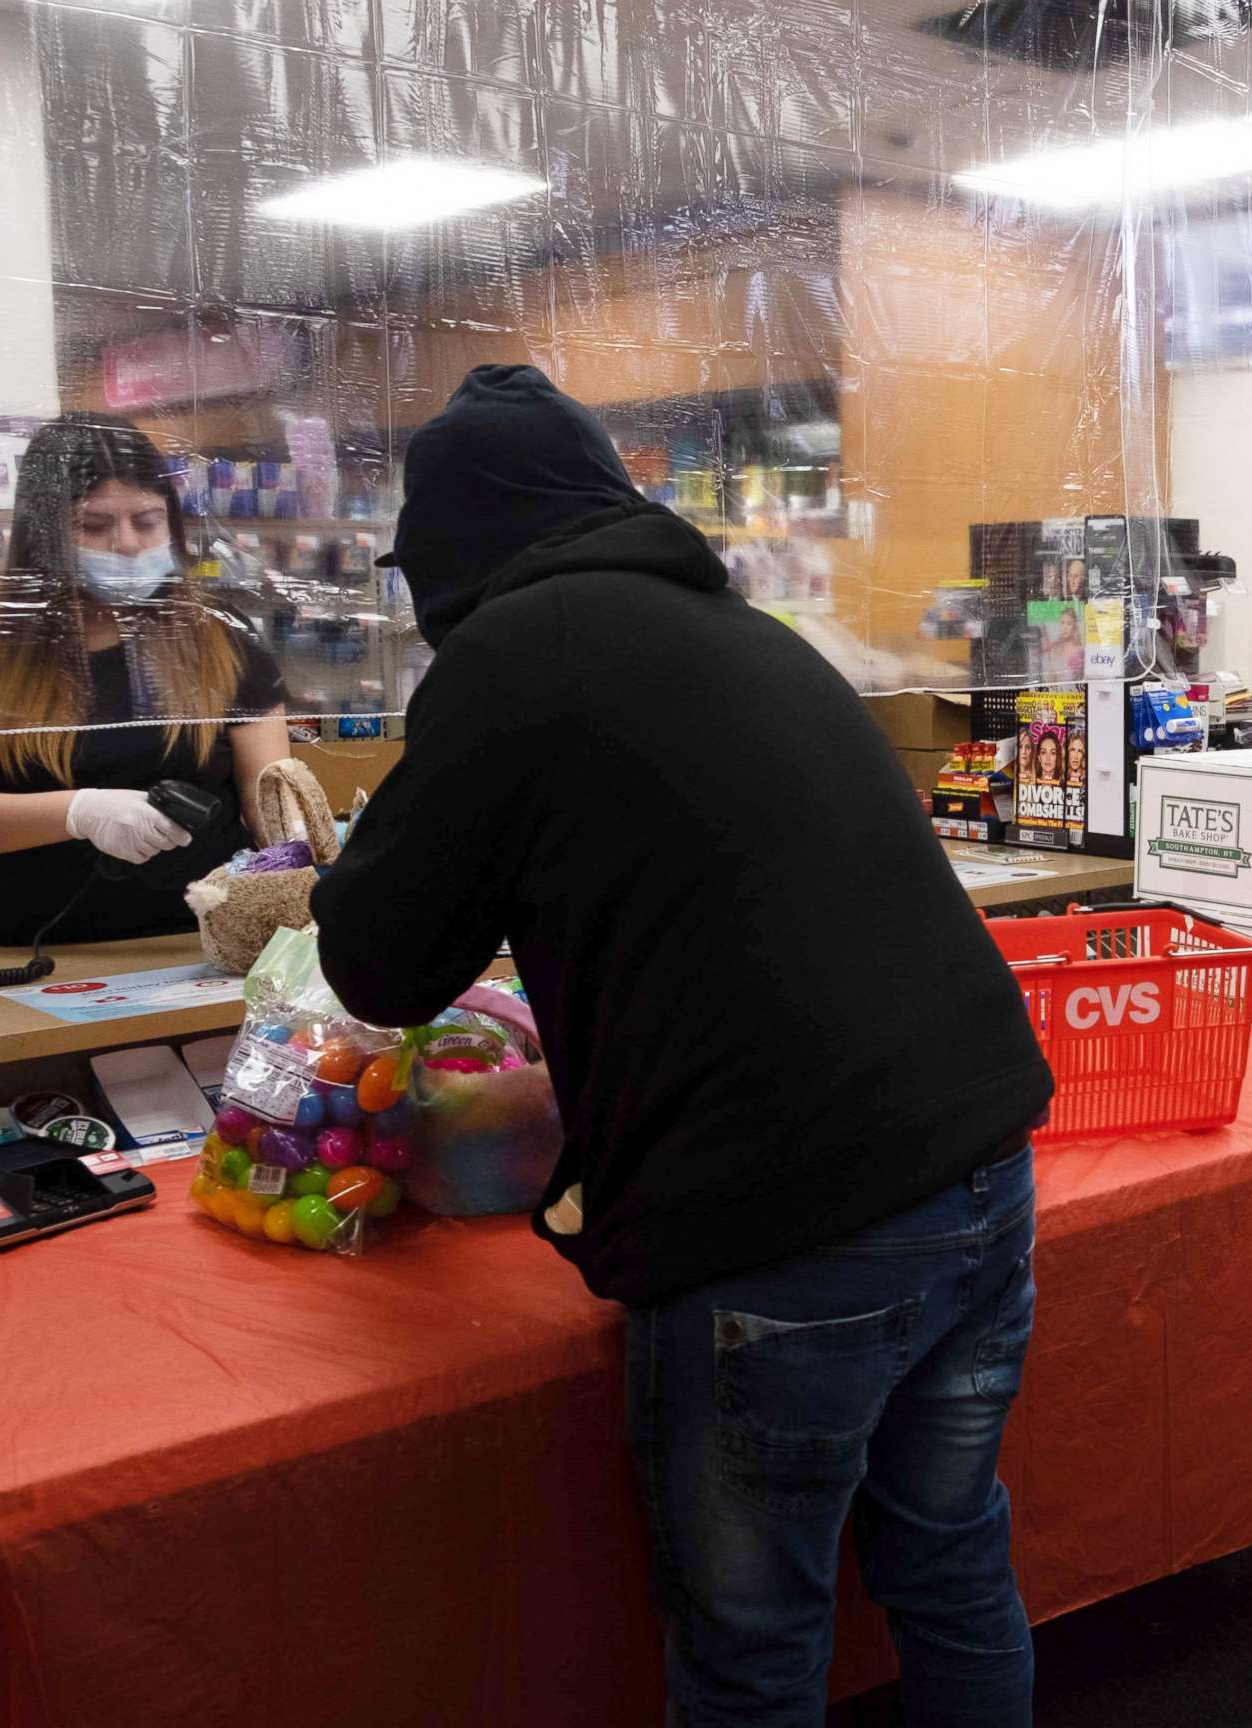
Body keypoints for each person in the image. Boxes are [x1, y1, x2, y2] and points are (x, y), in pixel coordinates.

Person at [308, 365, 1054, 1725]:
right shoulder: (735, 626)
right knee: (945, 1556)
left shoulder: (510, 659)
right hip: (981, 1166)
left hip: (788, 1223)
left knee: (754, 1634)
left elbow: (376, 963)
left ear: (449, 542)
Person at [0, 415, 290, 945]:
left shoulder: (218, 634)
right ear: (43, 531)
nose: (125, 544)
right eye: (93, 526)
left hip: (198, 941)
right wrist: (79, 812)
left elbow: (270, 799)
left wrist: (303, 860)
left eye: (147, 520)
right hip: (23, 949)